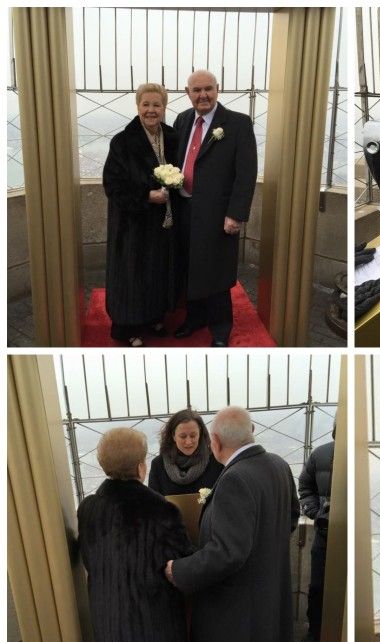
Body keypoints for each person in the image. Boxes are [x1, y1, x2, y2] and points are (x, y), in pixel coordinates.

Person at [165, 406, 300, 642]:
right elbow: (291, 517)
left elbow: (227, 553)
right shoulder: (279, 465)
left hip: (237, 611)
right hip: (269, 596)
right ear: (251, 432)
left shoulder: (235, 479)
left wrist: (179, 570)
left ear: (214, 440)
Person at [77, 428, 193, 642]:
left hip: (108, 618)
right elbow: (183, 562)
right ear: (141, 467)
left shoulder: (89, 508)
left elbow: (89, 558)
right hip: (153, 622)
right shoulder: (161, 510)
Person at [173, 70, 258, 347]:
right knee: (189, 269)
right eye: (196, 90)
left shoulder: (237, 123)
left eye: (208, 89)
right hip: (184, 209)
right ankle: (194, 318)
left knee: (217, 273)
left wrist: (236, 214)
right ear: (188, 93)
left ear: (218, 89)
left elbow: (246, 174)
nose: (203, 95)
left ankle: (221, 329)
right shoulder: (182, 120)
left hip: (219, 215)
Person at [103, 83, 179, 347]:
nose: (151, 110)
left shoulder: (172, 137)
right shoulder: (122, 142)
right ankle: (129, 327)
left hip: (163, 224)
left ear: (164, 107)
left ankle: (153, 317)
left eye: (157, 105)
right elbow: (112, 185)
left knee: (158, 272)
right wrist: (147, 196)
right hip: (133, 225)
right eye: (145, 104)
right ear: (137, 106)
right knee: (132, 277)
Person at [295, 431, 335, 642]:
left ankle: (328, 641)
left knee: (338, 591)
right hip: (324, 531)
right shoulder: (321, 453)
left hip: (344, 536)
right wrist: (315, 512)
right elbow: (305, 485)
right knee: (317, 586)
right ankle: (314, 633)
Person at [148, 408, 224, 495]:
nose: (188, 442)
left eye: (193, 436)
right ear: (173, 436)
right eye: (183, 436)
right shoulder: (158, 465)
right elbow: (153, 503)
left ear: (200, 434)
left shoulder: (216, 461)